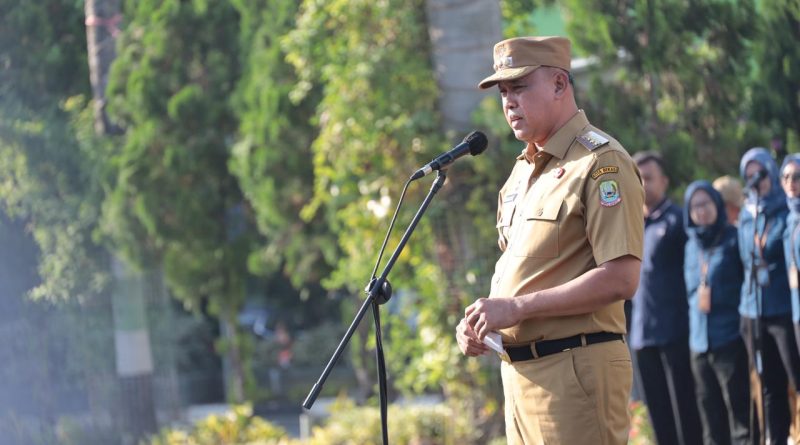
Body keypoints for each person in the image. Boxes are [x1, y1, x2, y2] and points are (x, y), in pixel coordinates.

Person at [455, 36, 644, 445]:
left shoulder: (599, 162)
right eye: (503, 91)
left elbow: (621, 279)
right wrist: (479, 324)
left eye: (520, 86)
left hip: (575, 372)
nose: (508, 102)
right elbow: (519, 273)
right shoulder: (520, 174)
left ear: (560, 84)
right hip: (519, 378)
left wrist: (517, 307)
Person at [629, 151, 703, 445]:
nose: (642, 184)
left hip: (675, 332)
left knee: (686, 413)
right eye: (637, 178)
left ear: (665, 181)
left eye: (648, 178)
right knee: (658, 416)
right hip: (642, 336)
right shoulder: (629, 224)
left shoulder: (678, 221)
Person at [738, 147, 800, 444]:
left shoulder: (785, 209)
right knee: (769, 385)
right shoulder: (747, 216)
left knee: (794, 379)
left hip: (784, 310)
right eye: (749, 175)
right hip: (753, 311)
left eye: (760, 173)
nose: (755, 180)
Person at [684, 181, 751, 445]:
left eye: (706, 203)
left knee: (739, 413)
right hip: (699, 344)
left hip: (730, 339)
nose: (701, 211)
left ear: (717, 204)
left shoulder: (733, 238)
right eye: (695, 206)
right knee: (710, 417)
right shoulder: (689, 246)